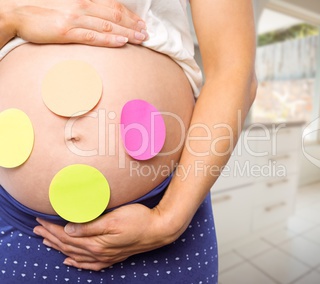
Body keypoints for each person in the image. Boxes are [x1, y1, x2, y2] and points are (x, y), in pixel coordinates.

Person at [0, 0, 257, 282]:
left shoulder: (165, 220)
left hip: (159, 217)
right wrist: (9, 17)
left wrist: (168, 220)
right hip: (20, 221)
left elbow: (234, 71)